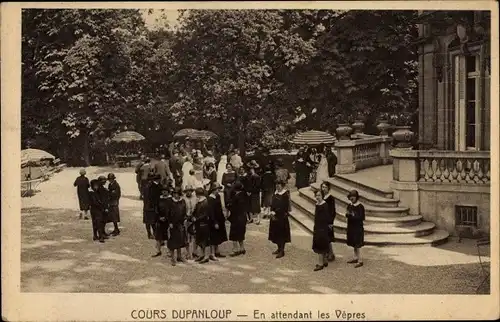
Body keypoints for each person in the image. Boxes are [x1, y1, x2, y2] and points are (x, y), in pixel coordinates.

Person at [268, 180, 291, 259]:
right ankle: (278, 248)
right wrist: (271, 211)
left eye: (279, 185)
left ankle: (282, 250)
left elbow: (284, 206)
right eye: (276, 185)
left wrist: (275, 212)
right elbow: (272, 203)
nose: (277, 186)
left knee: (282, 234)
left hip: (281, 217)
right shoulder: (275, 193)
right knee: (276, 233)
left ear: (282, 185)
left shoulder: (285, 194)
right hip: (274, 217)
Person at [166, 186, 188, 266]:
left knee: (180, 240)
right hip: (172, 223)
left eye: (177, 193)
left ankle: (179, 256)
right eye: (174, 193)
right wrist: (169, 222)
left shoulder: (182, 201)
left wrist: (185, 219)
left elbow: (184, 211)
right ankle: (172, 258)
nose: (176, 195)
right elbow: (167, 213)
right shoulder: (170, 201)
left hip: (180, 223)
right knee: (172, 241)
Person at [312, 190, 331, 271]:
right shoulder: (317, 204)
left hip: (322, 227)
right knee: (320, 244)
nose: (317, 197)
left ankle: (320, 264)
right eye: (316, 195)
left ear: (322, 196)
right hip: (318, 226)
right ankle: (324, 261)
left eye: (319, 195)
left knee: (320, 245)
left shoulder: (324, 205)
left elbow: (326, 217)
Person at [207, 182, 228, 258]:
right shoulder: (210, 198)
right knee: (213, 236)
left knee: (218, 236)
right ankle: (212, 253)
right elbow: (211, 212)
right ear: (213, 190)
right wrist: (214, 222)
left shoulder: (218, 196)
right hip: (213, 220)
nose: (218, 191)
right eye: (217, 189)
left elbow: (220, 208)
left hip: (219, 219)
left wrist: (223, 217)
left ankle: (217, 251)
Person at [346, 190, 365, 268]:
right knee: (353, 243)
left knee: (357, 243)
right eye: (350, 197)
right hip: (351, 227)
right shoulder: (349, 205)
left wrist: (353, 215)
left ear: (356, 197)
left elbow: (362, 217)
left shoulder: (360, 206)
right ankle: (355, 257)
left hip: (357, 227)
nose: (352, 198)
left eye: (353, 197)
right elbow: (347, 214)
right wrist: (348, 214)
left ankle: (360, 260)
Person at [228, 182, 247, 256]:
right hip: (243, 217)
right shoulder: (244, 195)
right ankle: (242, 248)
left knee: (234, 233)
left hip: (236, 217)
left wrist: (229, 206)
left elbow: (233, 208)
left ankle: (235, 249)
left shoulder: (235, 197)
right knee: (241, 233)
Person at [193, 187, 211, 263]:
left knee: (205, 241)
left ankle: (206, 256)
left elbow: (205, 214)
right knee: (200, 240)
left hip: (204, 223)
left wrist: (196, 219)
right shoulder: (199, 202)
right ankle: (202, 255)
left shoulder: (205, 202)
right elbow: (195, 211)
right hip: (199, 224)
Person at [152, 186, 171, 258]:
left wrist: (166, 218)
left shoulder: (170, 200)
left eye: (166, 191)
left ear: (168, 192)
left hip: (168, 221)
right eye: (163, 191)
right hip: (160, 220)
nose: (164, 192)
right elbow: (156, 209)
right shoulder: (159, 199)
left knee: (168, 236)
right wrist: (159, 217)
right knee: (158, 236)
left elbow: (171, 211)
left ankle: (169, 251)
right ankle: (158, 251)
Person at [320, 182, 336, 261]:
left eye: (325, 187)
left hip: (328, 221)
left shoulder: (331, 198)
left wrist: (330, 222)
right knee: (324, 237)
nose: (323, 189)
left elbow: (333, 211)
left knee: (328, 238)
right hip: (322, 220)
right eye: (322, 187)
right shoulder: (321, 197)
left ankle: (331, 254)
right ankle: (326, 252)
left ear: (328, 189)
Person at [143, 173, 162, 239]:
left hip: (146, 206)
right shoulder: (151, 186)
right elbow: (153, 197)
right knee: (152, 221)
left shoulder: (145, 186)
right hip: (151, 206)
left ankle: (150, 234)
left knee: (148, 221)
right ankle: (153, 233)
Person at [183, 185, 198, 260]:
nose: (188, 192)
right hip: (186, 219)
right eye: (187, 191)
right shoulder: (183, 199)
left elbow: (197, 208)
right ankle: (188, 252)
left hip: (194, 219)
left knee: (194, 236)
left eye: (190, 191)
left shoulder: (195, 199)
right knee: (186, 236)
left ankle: (194, 252)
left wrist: (194, 216)